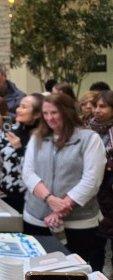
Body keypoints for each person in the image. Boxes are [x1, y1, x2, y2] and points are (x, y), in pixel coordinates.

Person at [23, 93, 106, 262]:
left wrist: (61, 208)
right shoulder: (37, 137)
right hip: (37, 218)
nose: (49, 118)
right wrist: (50, 199)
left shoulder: (89, 139)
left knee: (70, 278)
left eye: (54, 112)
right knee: (39, 275)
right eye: (45, 113)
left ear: (67, 112)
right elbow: (28, 172)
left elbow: (91, 179)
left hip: (78, 223)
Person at [87, 91, 113, 272]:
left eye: (102, 106)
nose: (96, 110)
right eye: (95, 106)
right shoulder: (87, 129)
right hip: (93, 195)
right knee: (95, 244)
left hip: (109, 192)